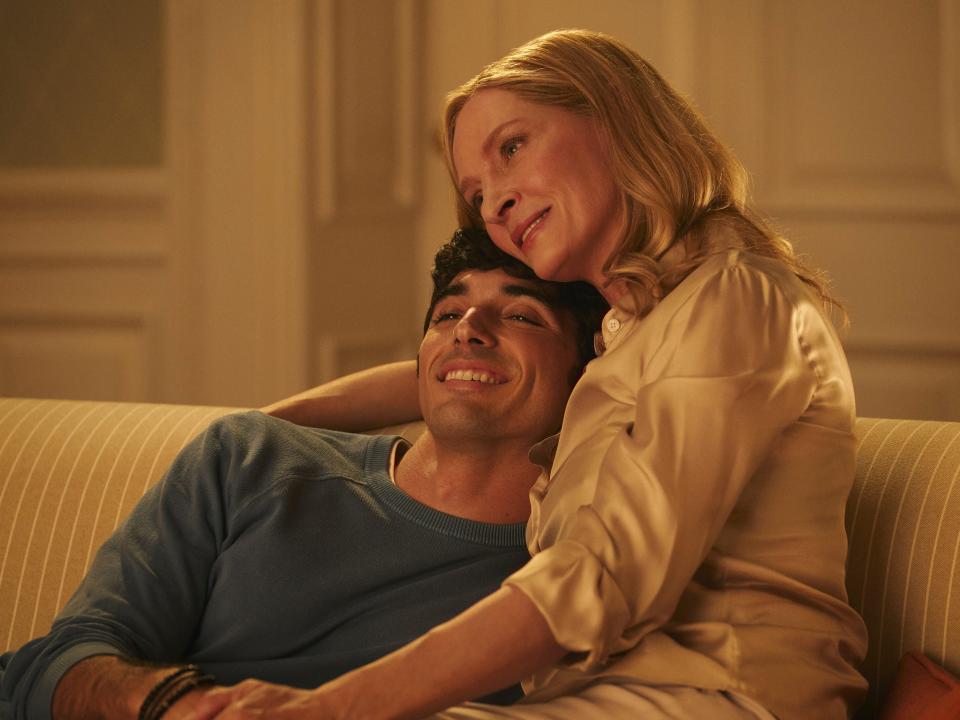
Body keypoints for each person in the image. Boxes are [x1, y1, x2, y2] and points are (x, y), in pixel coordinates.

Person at [230, 28, 870, 720]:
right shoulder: (629, 332)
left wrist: (330, 709)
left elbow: (603, 574)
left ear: (615, 116)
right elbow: (440, 373)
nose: (495, 202)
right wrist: (245, 434)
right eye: (476, 194)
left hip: (725, 702)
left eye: (511, 148)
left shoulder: (736, 299)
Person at [0, 228, 608, 720]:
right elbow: (57, 664)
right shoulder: (249, 456)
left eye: (523, 317)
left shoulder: (577, 570)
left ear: (591, 373)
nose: (468, 328)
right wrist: (178, 705)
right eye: (447, 313)